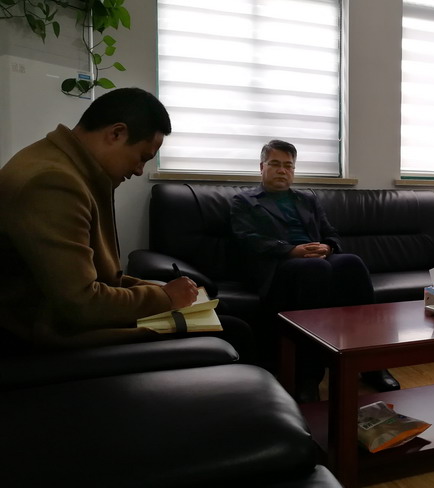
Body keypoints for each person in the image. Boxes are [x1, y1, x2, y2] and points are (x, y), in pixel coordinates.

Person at [0, 87, 252, 359]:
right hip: (46, 333)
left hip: (57, 316)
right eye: (142, 157)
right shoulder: (53, 182)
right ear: (116, 133)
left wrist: (160, 290)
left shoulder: (66, 166)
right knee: (233, 329)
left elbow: (97, 278)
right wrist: (166, 297)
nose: (139, 170)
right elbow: (81, 304)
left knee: (219, 309)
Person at [230, 139, 400, 401]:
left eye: (288, 166)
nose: (282, 170)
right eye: (275, 164)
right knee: (314, 268)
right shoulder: (244, 201)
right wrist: (291, 250)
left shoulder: (307, 199)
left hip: (315, 259)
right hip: (278, 265)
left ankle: (370, 364)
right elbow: (248, 240)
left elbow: (331, 233)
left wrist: (328, 247)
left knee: (352, 263)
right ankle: (308, 376)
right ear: (262, 167)